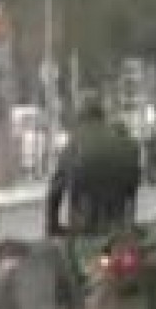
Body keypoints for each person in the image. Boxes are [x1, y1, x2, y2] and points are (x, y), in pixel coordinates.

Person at [44, 100, 142, 236]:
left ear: (81, 118)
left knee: (79, 184)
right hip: (122, 194)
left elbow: (56, 189)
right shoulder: (120, 136)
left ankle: (84, 229)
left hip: (86, 198)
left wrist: (53, 225)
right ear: (102, 116)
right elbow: (132, 186)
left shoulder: (76, 141)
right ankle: (119, 226)